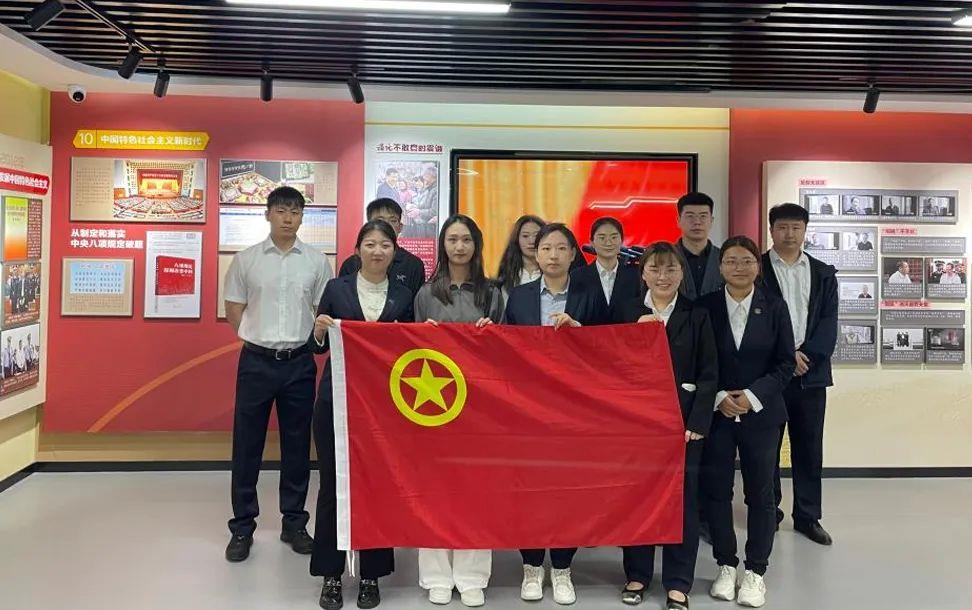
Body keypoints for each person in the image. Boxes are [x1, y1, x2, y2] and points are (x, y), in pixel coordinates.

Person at [222, 186, 332, 563]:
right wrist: (258, 338)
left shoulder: (316, 262)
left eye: (296, 212)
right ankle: (242, 527)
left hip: (299, 363)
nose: (288, 218)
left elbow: (321, 311)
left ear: (302, 217)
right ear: (267, 214)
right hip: (256, 362)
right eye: (282, 211)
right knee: (247, 444)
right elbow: (234, 308)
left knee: (298, 445)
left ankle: (294, 523)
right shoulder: (247, 260)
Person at [311, 219, 414, 610]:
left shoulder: (404, 295)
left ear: (394, 251)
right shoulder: (336, 288)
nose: (377, 251)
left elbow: (410, 349)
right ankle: (331, 574)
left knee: (377, 486)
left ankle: (372, 574)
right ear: (357, 250)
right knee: (332, 486)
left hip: (383, 406)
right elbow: (317, 347)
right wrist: (320, 331)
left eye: (385, 244)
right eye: (370, 244)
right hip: (336, 400)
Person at [504, 223, 607, 605]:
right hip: (527, 409)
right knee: (529, 488)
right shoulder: (519, 296)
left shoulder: (589, 295)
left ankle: (562, 567)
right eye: (546, 247)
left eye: (561, 248)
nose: (553, 255)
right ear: (536, 253)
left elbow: (607, 347)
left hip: (573, 410)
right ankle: (532, 565)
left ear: (572, 254)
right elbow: (505, 348)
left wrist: (580, 332)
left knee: (568, 489)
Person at [614, 241, 718, 610]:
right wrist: (634, 332)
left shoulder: (697, 314)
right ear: (642, 273)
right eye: (655, 269)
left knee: (682, 502)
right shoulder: (626, 311)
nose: (663, 276)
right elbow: (609, 363)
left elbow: (709, 373)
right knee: (638, 498)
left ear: (681, 273)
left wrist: (698, 420)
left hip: (682, 426)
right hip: (637, 425)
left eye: (671, 269)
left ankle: (678, 582)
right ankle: (637, 575)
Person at [698, 236, 796, 608]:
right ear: (720, 266)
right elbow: (697, 359)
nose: (739, 268)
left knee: (760, 494)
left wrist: (752, 397)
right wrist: (720, 396)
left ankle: (755, 571)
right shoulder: (705, 306)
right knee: (717, 492)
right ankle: (726, 564)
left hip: (762, 414)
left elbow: (785, 363)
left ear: (758, 265)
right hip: (717, 414)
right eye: (731, 261)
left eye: (746, 261)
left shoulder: (774, 306)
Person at [413, 215, 502, 608]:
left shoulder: (493, 293)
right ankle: (436, 575)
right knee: (433, 489)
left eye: (466, 239)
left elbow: (507, 352)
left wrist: (492, 335)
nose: (460, 247)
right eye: (452, 239)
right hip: (434, 406)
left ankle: (471, 576)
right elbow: (410, 353)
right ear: (443, 245)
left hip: (480, 406)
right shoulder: (425, 293)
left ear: (476, 245)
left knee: (476, 491)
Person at [761, 204, 838, 547]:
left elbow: (829, 322)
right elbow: (755, 320)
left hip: (811, 375)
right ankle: (769, 512)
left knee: (809, 448)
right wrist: (785, 357)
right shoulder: (757, 269)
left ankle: (808, 516)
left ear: (805, 231)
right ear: (771, 230)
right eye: (782, 227)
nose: (789, 233)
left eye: (796, 227)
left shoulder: (823, 273)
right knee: (767, 448)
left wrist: (806, 356)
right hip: (769, 375)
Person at [339, 198, 426, 296]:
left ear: (400, 227)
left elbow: (417, 303)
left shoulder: (413, 265)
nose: (386, 225)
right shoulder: (351, 264)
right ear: (369, 225)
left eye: (393, 220)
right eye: (379, 220)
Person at [570, 217, 640, 320]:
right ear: (592, 242)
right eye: (602, 238)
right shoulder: (577, 276)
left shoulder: (635, 275)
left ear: (621, 240)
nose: (608, 243)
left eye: (614, 237)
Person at [674, 192, 723, 301]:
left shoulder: (724, 258)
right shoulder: (667, 257)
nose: (697, 222)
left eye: (703, 216)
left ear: (711, 221)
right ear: (678, 221)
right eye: (690, 216)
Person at [495, 214, 545, 301]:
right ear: (516, 239)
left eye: (536, 235)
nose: (532, 241)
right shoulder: (507, 276)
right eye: (525, 236)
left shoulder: (552, 273)